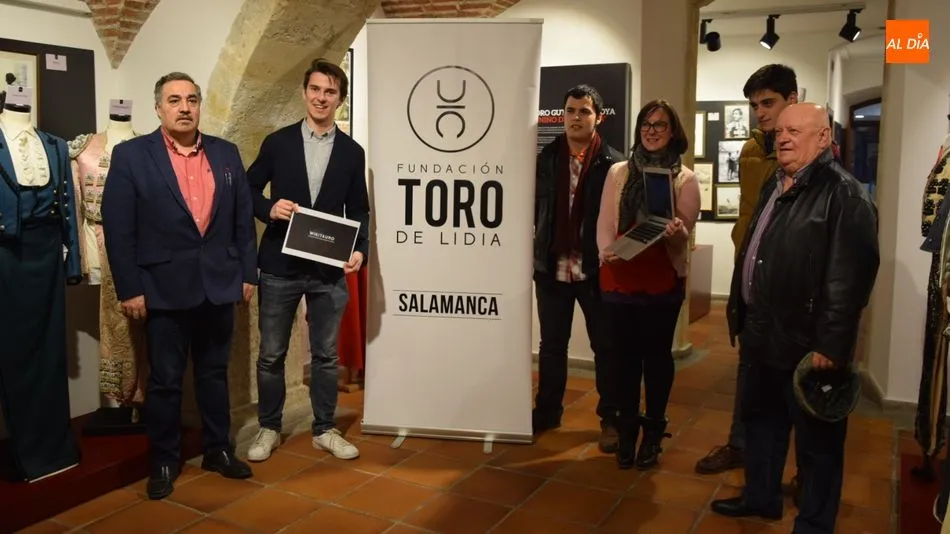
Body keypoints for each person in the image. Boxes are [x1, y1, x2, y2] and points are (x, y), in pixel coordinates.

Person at [710, 103, 879, 534]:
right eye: (780, 130)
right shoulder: (776, 181)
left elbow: (850, 280)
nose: (783, 137)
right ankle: (762, 498)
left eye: (796, 131)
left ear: (823, 138)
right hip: (763, 335)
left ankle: (815, 525)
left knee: (818, 449)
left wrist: (832, 345)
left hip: (809, 349)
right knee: (762, 427)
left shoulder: (845, 195)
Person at [101, 72, 258, 500]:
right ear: (158, 108)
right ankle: (165, 460)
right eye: (174, 100)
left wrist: (247, 273)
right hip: (162, 287)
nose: (184, 107)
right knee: (166, 381)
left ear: (199, 105)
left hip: (220, 284)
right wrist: (130, 288)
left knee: (213, 375)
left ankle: (217, 449)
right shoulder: (132, 155)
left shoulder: (226, 154)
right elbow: (118, 229)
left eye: (191, 99)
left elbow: (243, 222)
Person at [244, 58, 369, 462]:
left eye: (330, 92)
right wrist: (268, 208)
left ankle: (324, 429)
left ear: (339, 100)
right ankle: (269, 427)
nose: (321, 97)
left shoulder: (352, 152)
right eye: (315, 89)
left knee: (328, 356)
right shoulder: (277, 142)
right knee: (271, 354)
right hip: (280, 266)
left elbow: (360, 210)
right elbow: (246, 190)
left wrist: (360, 248)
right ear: (304, 92)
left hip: (328, 270)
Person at [696, 64, 798, 476]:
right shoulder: (751, 150)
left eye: (768, 102)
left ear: (792, 100)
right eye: (754, 104)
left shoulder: (810, 149)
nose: (760, 111)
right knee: (749, 367)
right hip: (751, 275)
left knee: (795, 378)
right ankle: (740, 444)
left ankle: (804, 469)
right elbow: (749, 214)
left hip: (791, 285)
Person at [596, 99, 700, 470]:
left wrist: (677, 231)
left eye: (660, 124)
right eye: (646, 124)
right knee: (623, 361)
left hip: (660, 279)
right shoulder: (619, 172)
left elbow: (681, 239)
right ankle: (626, 431)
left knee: (656, 360)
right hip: (619, 276)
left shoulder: (685, 179)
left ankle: (653, 432)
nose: (652, 130)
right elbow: (605, 221)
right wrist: (605, 251)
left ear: (673, 132)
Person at [532, 84, 624, 452]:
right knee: (552, 345)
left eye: (583, 111)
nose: (575, 118)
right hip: (552, 267)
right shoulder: (546, 157)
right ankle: (548, 411)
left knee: (606, 346)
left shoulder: (613, 164)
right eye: (569, 111)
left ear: (598, 117)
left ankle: (611, 418)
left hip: (594, 269)